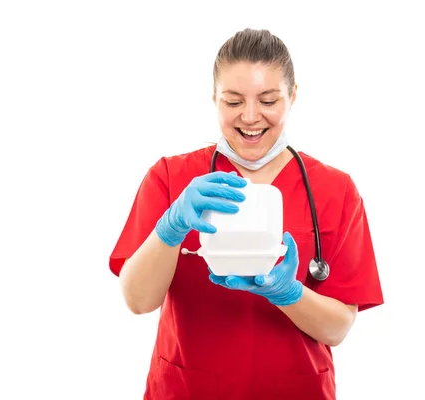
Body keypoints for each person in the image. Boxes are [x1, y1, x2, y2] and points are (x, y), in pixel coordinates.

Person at [108, 28, 383, 400]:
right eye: (233, 101)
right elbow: (138, 301)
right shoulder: (171, 177)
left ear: (293, 96)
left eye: (268, 100)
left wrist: (288, 293)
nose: (250, 117)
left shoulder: (337, 191)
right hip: (188, 390)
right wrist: (170, 229)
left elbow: (337, 329)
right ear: (214, 98)